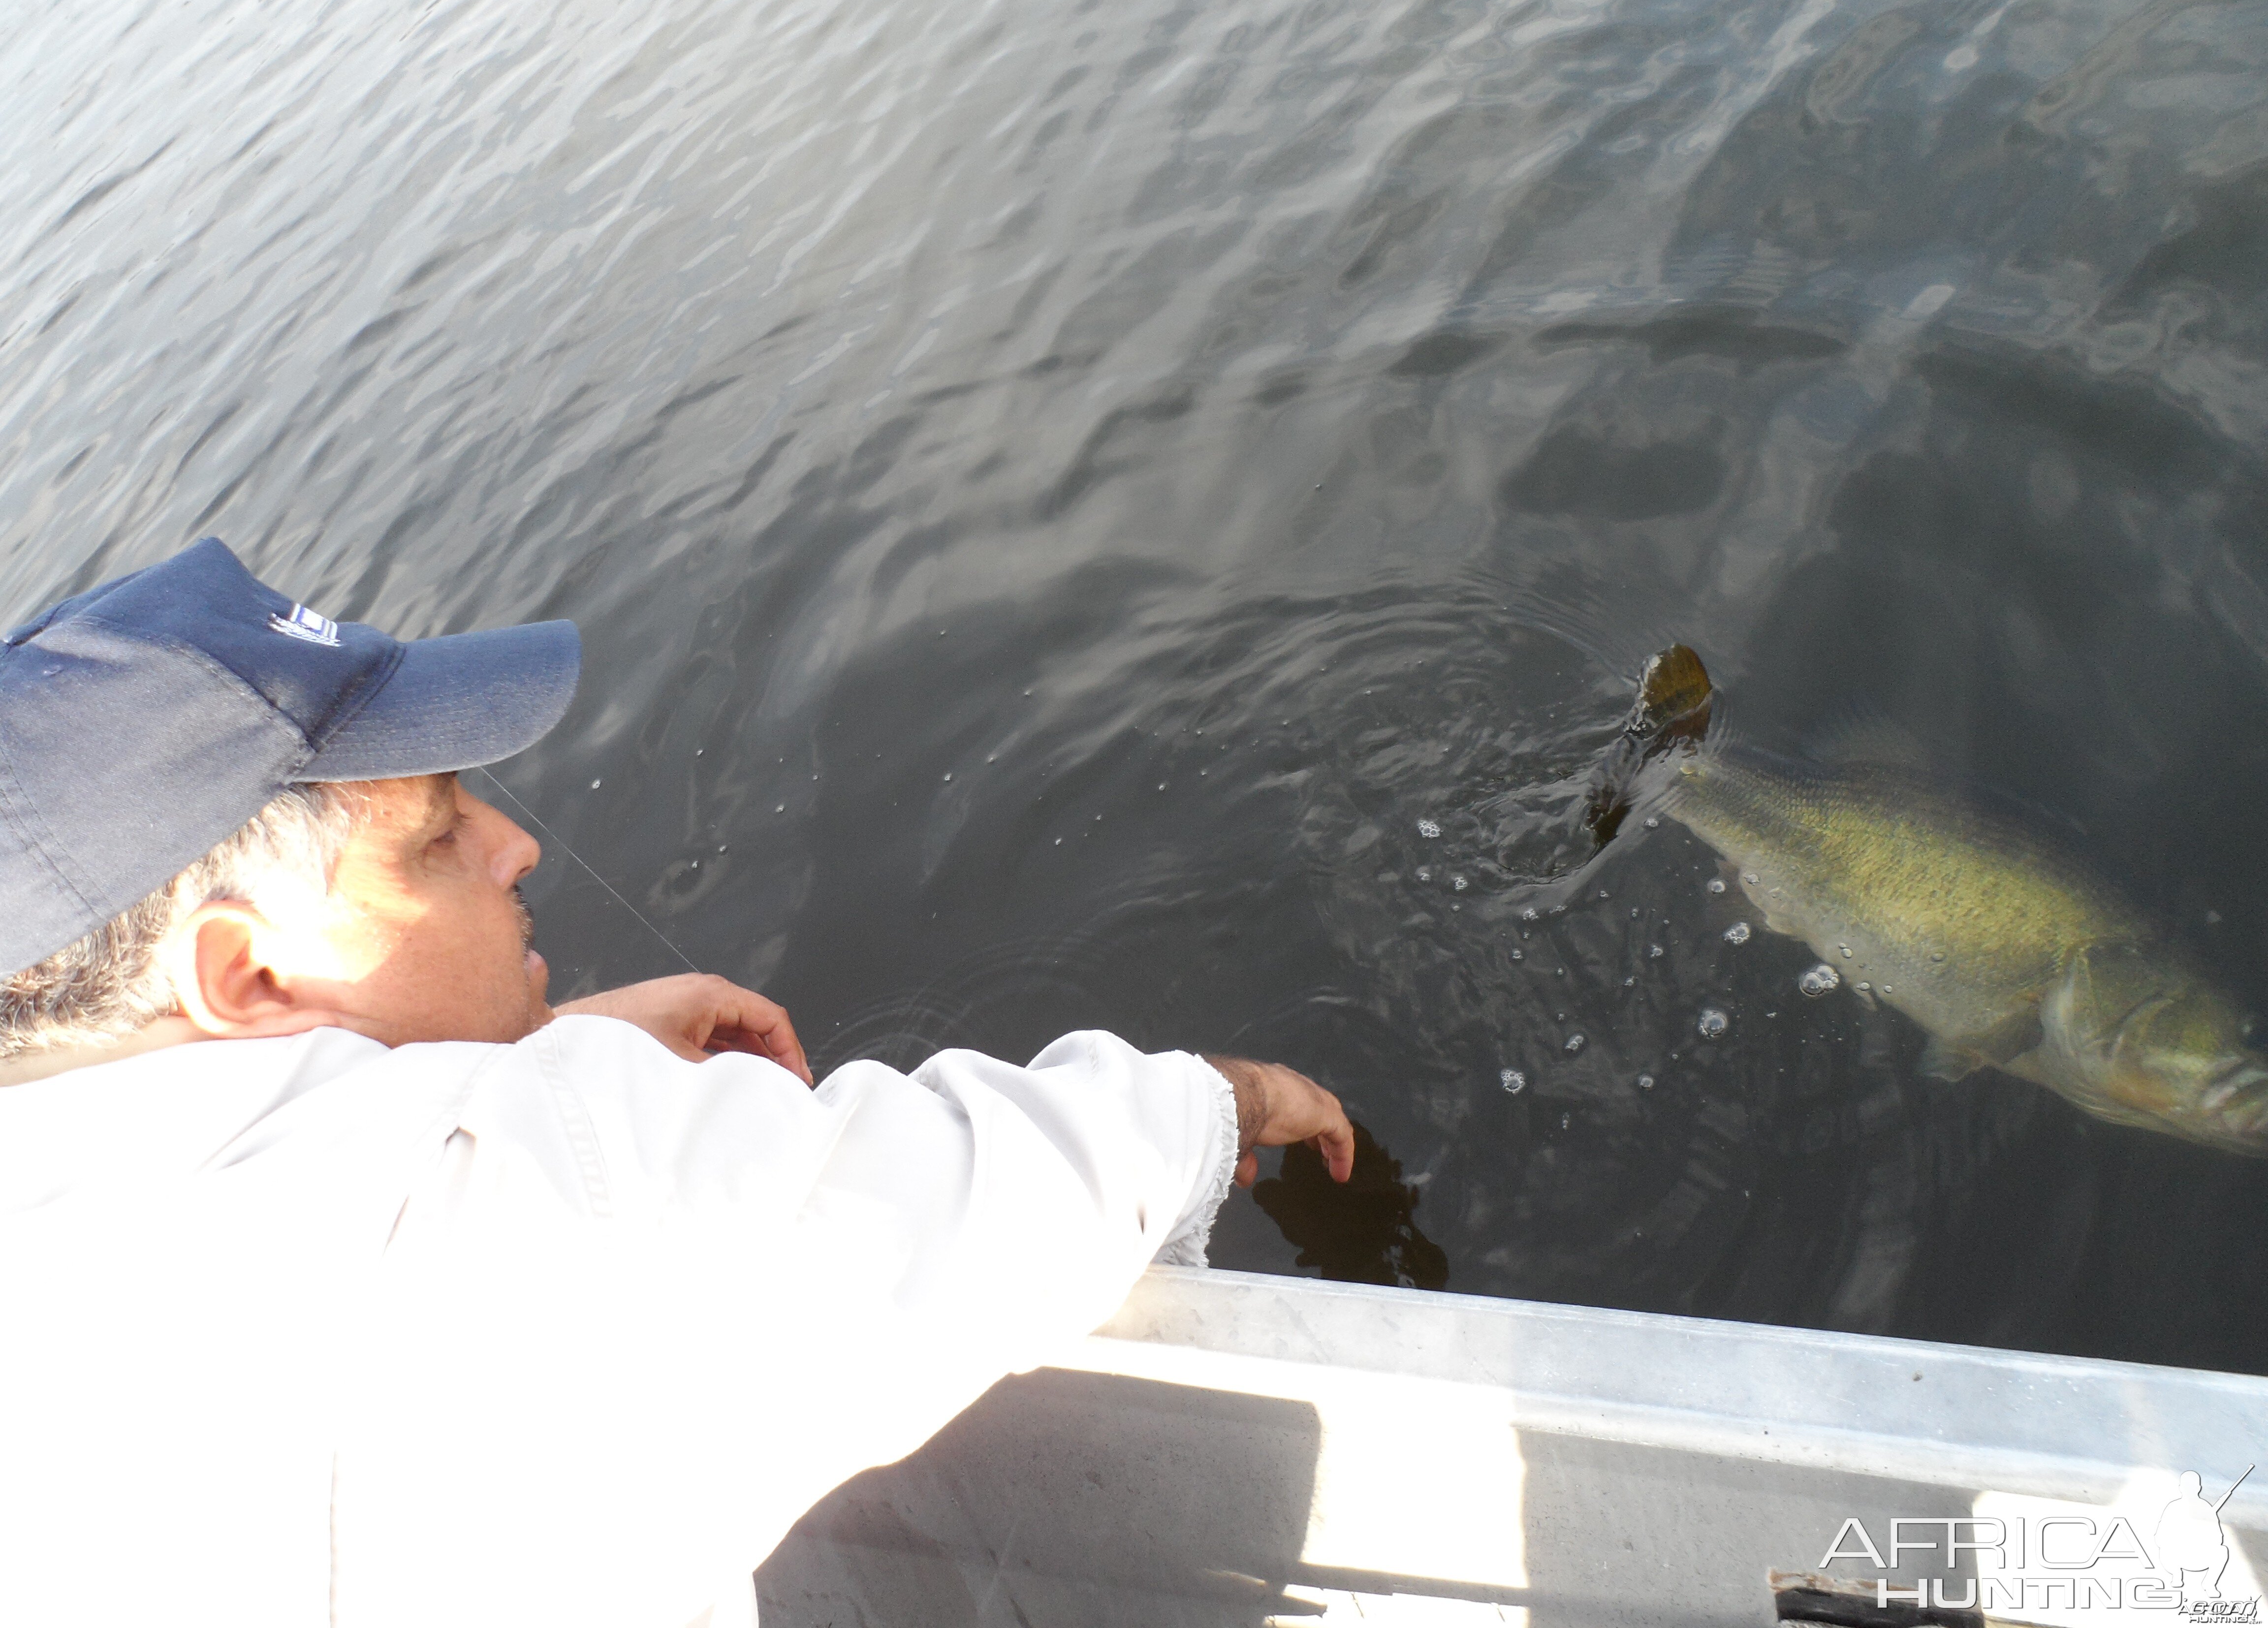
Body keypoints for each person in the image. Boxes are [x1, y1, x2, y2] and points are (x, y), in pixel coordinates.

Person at [0, 538, 1354, 1628]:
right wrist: (1231, 1097)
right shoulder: (501, 1210)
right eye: (432, 841)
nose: (516, 845)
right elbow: (1005, 1191)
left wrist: (512, 1042)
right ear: (246, 978)